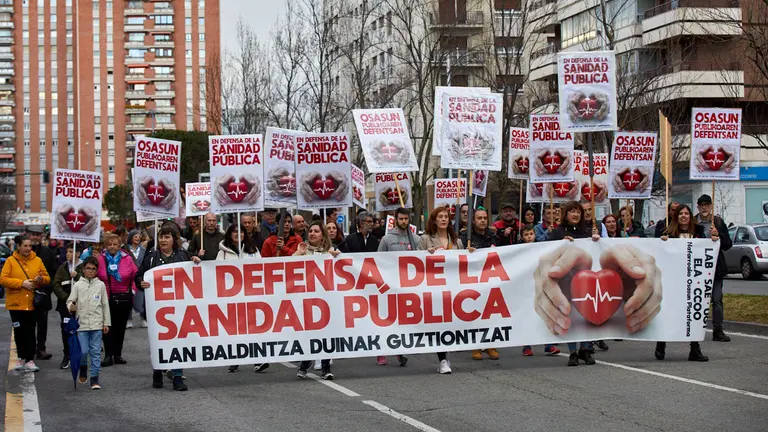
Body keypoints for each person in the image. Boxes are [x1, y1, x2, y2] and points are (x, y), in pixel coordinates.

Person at [137, 226, 201, 391]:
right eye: (161, 237)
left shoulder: (183, 256)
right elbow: (139, 274)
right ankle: (157, 371)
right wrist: (140, 283)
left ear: (174, 239)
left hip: (178, 307)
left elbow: (195, 275)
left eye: (167, 237)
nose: (163, 240)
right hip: (157, 308)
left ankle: (177, 376)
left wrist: (196, 262)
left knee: (179, 341)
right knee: (158, 340)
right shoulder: (152, 257)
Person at [657, 204, 716, 361]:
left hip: (693, 280)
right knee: (669, 312)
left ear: (690, 216)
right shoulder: (668, 233)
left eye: (686, 213)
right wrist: (662, 242)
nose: (683, 216)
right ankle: (661, 344)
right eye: (680, 213)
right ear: (676, 216)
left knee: (693, 312)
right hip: (673, 280)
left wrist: (714, 240)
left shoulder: (699, 232)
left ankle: (694, 349)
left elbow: (707, 249)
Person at [547, 201, 600, 366]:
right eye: (572, 212)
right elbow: (546, 249)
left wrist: (597, 240)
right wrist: (561, 243)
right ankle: (572, 352)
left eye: (578, 212)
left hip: (586, 280)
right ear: (566, 214)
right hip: (566, 281)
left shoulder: (587, 232)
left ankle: (585, 349)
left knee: (585, 314)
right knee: (570, 315)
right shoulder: (558, 232)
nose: (575, 215)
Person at [294, 221, 340, 380]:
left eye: (316, 231)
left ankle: (326, 368)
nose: (312, 234)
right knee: (310, 334)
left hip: (326, 300)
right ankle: (305, 363)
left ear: (323, 235)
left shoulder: (330, 252)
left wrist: (337, 256)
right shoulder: (303, 251)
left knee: (327, 334)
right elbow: (288, 269)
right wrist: (298, 254)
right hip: (307, 300)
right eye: (311, 231)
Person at [419, 206, 462, 374]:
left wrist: (470, 253)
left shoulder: (456, 240)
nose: (444, 219)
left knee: (451, 322)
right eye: (440, 216)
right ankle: (442, 359)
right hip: (435, 287)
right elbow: (414, 260)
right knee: (439, 323)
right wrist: (425, 254)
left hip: (453, 286)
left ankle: (447, 353)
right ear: (434, 220)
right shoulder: (426, 239)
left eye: (446, 216)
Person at [0, 234, 51, 372]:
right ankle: (21, 358)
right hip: (16, 303)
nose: (28, 248)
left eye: (30, 246)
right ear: (19, 246)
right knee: (19, 331)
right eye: (25, 246)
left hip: (32, 302)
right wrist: (21, 283)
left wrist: (41, 279)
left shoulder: (37, 260)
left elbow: (47, 278)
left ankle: (29, 359)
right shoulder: (10, 261)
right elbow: (3, 279)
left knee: (30, 330)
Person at [219, 224, 264, 373]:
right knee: (236, 329)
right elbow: (216, 273)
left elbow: (261, 267)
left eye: (241, 232)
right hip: (232, 297)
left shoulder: (253, 250)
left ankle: (258, 360)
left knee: (254, 327)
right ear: (230, 234)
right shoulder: (223, 253)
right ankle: (235, 359)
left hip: (250, 294)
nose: (238, 234)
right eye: (235, 232)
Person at [461, 207, 501, 360]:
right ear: (473, 220)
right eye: (479, 218)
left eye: (485, 218)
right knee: (475, 313)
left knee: (490, 313)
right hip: (473, 280)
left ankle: (491, 345)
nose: (483, 221)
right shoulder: (466, 236)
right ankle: (476, 346)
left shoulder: (493, 236)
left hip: (491, 279)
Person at [67, 256, 110, 390]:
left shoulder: (101, 285)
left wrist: (106, 323)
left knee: (96, 352)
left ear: (97, 270)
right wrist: (71, 307)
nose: (90, 271)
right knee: (84, 351)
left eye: (93, 269)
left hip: (97, 323)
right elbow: (70, 301)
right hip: (82, 324)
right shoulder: (78, 285)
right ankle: (83, 366)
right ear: (83, 269)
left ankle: (95, 378)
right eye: (88, 268)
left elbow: (105, 305)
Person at [694, 194, 733, 342]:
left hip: (715, 267)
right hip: (697, 268)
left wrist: (719, 235)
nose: (704, 207)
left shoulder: (718, 222)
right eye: (701, 205)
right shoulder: (693, 222)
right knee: (696, 299)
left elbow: (728, 244)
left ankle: (718, 329)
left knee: (716, 299)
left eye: (707, 205)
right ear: (698, 206)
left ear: (711, 206)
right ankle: (694, 329)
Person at [519, 225, 561, 357]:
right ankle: (526, 345)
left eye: (531, 234)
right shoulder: (518, 250)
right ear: (521, 237)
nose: (529, 236)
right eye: (526, 234)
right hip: (526, 286)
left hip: (539, 285)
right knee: (528, 315)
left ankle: (547, 344)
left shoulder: (541, 248)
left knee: (543, 313)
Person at [97, 233, 138, 367]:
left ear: (119, 245)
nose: (112, 247)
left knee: (120, 328)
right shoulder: (100, 259)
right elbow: (95, 275)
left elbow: (135, 275)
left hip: (124, 298)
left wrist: (132, 290)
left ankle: (117, 354)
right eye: (110, 244)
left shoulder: (127, 258)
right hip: (106, 298)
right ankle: (108, 355)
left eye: (115, 244)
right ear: (105, 246)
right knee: (107, 327)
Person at [26, 225, 57, 360]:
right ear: (28, 235)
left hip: (42, 294)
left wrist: (47, 288)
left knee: (42, 323)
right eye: (33, 234)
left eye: (38, 234)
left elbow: (53, 273)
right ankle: (29, 349)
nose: (35, 237)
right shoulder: (21, 252)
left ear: (41, 236)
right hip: (25, 293)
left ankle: (41, 348)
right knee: (27, 324)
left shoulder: (47, 252)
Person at [52, 243, 81, 369]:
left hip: (80, 305)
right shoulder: (62, 267)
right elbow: (56, 284)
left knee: (80, 330)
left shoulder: (84, 266)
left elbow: (90, 283)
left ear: (78, 253)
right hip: (65, 305)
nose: (68, 253)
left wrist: (78, 276)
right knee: (66, 329)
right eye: (67, 251)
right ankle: (67, 355)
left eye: (71, 251)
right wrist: (66, 298)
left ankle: (79, 355)